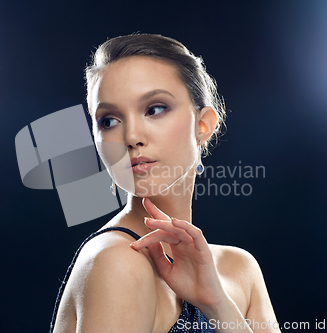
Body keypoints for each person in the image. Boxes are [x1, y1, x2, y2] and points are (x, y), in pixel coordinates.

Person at [50, 33, 280, 333]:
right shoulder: (118, 263)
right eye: (109, 120)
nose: (131, 137)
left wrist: (217, 304)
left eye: (155, 109)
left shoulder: (240, 270)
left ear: (203, 124)